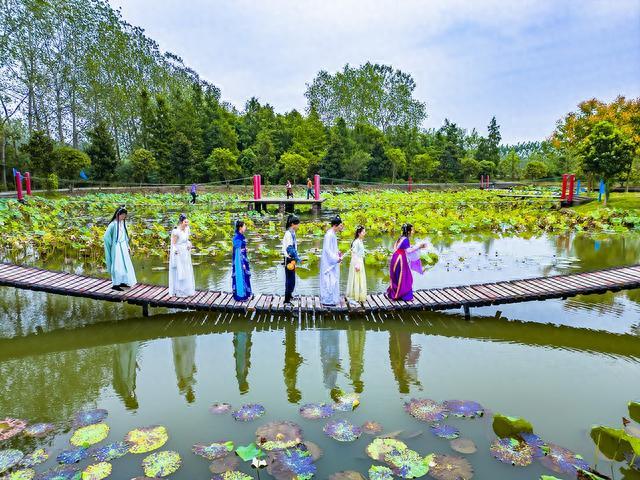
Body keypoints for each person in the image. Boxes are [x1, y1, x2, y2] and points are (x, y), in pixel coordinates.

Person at [387, 223, 428, 301]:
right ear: (408, 231)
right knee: (405, 277)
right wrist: (419, 246)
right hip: (400, 259)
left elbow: (403, 248)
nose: (413, 232)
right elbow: (408, 250)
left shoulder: (401, 238)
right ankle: (405, 296)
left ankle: (397, 294)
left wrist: (415, 246)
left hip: (396, 257)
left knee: (398, 276)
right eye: (412, 230)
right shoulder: (405, 239)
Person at [103, 206, 136, 291]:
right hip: (117, 247)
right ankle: (116, 284)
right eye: (123, 215)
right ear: (118, 215)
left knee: (124, 265)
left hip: (123, 246)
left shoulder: (123, 223)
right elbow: (106, 237)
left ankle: (123, 281)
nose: (124, 217)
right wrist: (112, 246)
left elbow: (125, 236)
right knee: (117, 265)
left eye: (125, 215)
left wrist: (127, 246)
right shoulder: (112, 225)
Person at [168, 213, 195, 297]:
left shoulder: (187, 229)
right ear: (181, 222)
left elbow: (187, 240)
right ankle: (179, 290)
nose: (186, 224)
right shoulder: (176, 231)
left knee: (186, 269)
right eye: (185, 222)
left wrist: (189, 244)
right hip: (179, 253)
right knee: (180, 270)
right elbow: (174, 244)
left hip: (185, 252)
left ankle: (186, 290)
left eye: (187, 222)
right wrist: (176, 252)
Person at [320, 216, 344, 306]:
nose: (341, 227)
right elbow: (327, 250)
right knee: (329, 280)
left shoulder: (333, 233)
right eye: (340, 225)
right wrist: (336, 258)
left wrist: (338, 253)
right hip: (328, 262)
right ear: (335, 225)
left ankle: (333, 299)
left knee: (334, 279)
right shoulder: (329, 234)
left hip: (332, 260)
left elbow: (333, 248)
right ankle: (328, 300)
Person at [282, 215, 301, 304]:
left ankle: (290, 295)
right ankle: (286, 300)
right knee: (289, 279)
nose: (298, 226)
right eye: (297, 224)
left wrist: (296, 256)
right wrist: (297, 257)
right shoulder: (288, 234)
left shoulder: (292, 232)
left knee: (292, 279)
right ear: (292, 224)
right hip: (289, 259)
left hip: (292, 258)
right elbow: (289, 248)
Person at [231, 220, 252, 301]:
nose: (245, 227)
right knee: (241, 275)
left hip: (243, 257)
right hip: (240, 259)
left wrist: (245, 248)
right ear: (240, 227)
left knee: (244, 275)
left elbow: (241, 248)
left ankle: (245, 294)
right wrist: (241, 262)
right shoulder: (237, 238)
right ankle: (241, 296)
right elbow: (237, 252)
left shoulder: (240, 236)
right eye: (244, 226)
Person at [346, 225, 367, 302]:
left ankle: (359, 295)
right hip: (356, 261)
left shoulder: (360, 241)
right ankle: (355, 296)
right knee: (356, 278)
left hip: (360, 260)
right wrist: (356, 264)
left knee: (360, 278)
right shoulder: (356, 242)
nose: (365, 233)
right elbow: (354, 254)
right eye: (363, 232)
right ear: (359, 233)